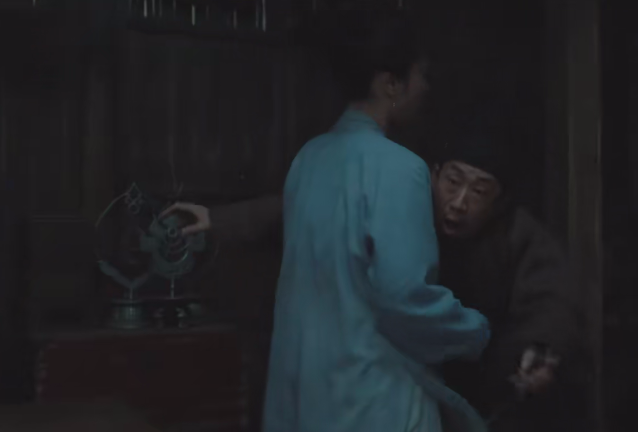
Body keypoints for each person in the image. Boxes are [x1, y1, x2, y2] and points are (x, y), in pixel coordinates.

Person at [165, 11, 491, 432]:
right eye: (420, 76)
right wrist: (475, 331)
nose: (425, 88)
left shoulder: (310, 158)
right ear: (390, 84)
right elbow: (405, 297)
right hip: (372, 402)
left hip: (308, 400)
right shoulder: (400, 168)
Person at [430, 109, 589, 432]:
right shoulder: (409, 219)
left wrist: (539, 349)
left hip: (494, 389)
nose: (458, 203)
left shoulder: (520, 235)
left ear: (499, 200)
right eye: (453, 182)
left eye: (478, 192)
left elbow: (551, 302)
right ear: (434, 175)